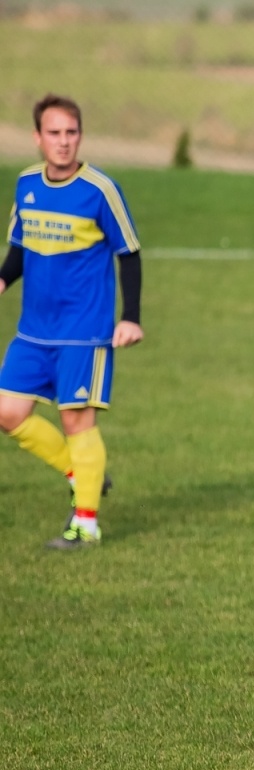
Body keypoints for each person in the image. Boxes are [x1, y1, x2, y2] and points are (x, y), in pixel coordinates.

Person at [0, 94, 143, 549]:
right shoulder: (27, 183)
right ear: (37, 138)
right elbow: (21, 246)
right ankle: (83, 474)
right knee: (7, 412)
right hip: (33, 330)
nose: (63, 142)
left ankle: (86, 525)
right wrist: (2, 279)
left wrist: (130, 318)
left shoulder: (100, 190)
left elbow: (129, 253)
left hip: (84, 330)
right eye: (54, 133)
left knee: (76, 421)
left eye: (71, 133)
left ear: (80, 136)